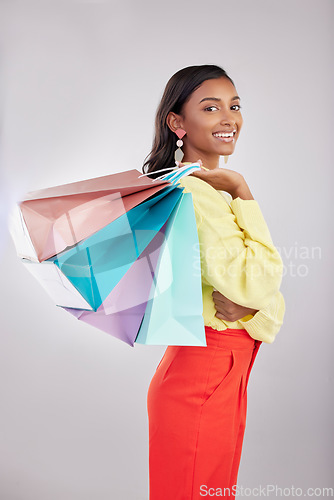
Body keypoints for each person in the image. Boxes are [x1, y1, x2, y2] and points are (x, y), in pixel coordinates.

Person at [143, 65, 285, 500]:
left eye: (234, 105)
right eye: (211, 107)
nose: (229, 118)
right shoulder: (195, 193)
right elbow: (257, 283)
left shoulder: (204, 190)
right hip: (204, 372)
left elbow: (255, 298)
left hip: (218, 372)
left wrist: (260, 310)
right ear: (177, 123)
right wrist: (243, 191)